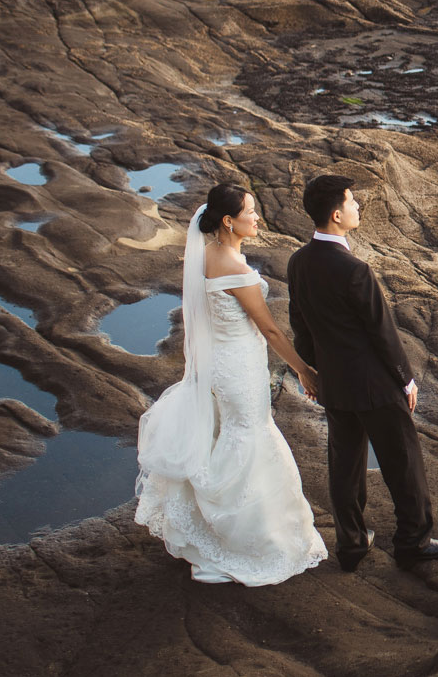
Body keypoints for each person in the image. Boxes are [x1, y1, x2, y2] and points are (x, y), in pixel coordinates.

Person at [135, 182, 328, 585]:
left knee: (231, 434)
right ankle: (243, 541)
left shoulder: (205, 255)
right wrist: (303, 370)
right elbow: (271, 331)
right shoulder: (236, 270)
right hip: (240, 366)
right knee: (249, 437)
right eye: (250, 212)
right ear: (228, 220)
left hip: (219, 366)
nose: (257, 217)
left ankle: (212, 532)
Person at [287, 173, 438, 571]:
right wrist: (406, 379)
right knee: (403, 463)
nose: (357, 207)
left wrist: (315, 371)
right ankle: (413, 543)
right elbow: (383, 333)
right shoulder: (354, 270)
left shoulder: (298, 262)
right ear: (335, 213)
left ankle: (351, 543)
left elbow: (301, 326)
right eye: (351, 201)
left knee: (344, 465)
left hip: (334, 384)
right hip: (375, 385)